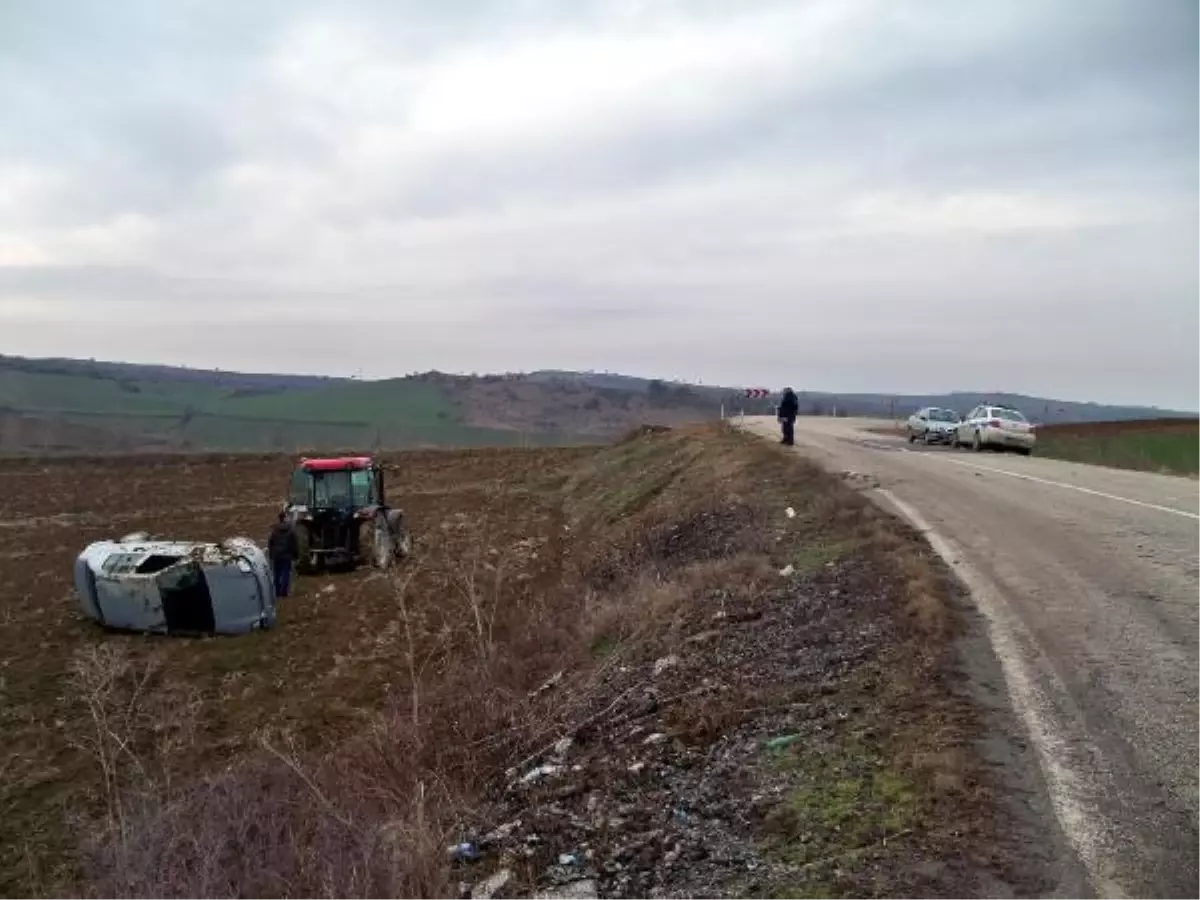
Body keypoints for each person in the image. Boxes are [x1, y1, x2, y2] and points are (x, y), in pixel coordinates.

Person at [267, 510, 300, 598]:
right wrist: (296, 555)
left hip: (276, 555)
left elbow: (270, 543)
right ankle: (284, 592)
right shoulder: (290, 530)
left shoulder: (274, 530)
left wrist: (270, 554)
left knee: (276, 574)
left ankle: (277, 592)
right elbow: (294, 543)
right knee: (286, 574)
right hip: (287, 555)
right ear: (285, 518)